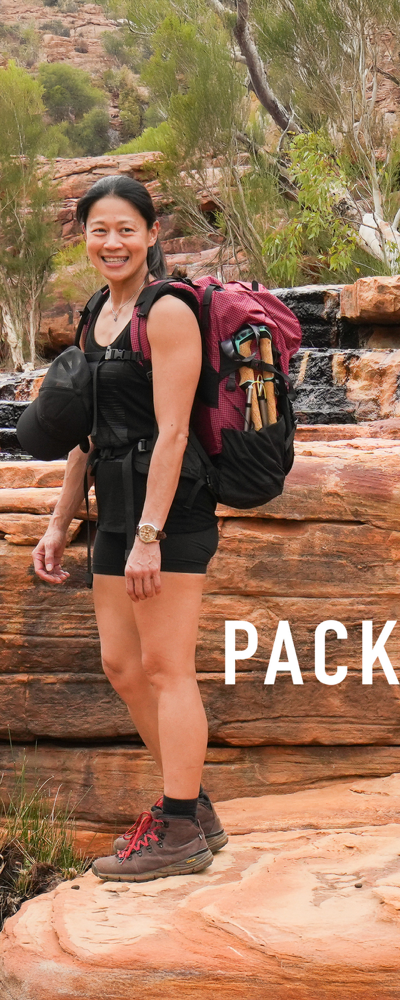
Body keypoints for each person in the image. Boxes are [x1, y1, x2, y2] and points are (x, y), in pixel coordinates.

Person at [32, 175, 227, 882]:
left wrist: (150, 533)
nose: (111, 242)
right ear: (83, 238)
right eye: (98, 230)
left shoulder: (166, 311)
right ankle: (193, 808)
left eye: (125, 229)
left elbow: (173, 435)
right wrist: (59, 523)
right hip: (112, 507)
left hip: (167, 511)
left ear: (151, 235)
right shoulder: (95, 314)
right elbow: (86, 432)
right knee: (123, 665)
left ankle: (176, 829)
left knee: (167, 666)